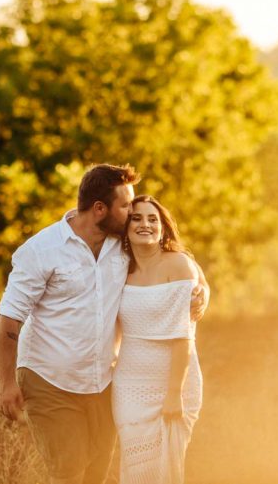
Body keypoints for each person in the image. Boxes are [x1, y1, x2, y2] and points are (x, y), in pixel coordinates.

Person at [0, 164, 209, 484]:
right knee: (67, 471)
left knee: (97, 472)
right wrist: (6, 382)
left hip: (103, 381)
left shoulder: (121, 244)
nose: (132, 212)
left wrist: (203, 291)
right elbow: (10, 318)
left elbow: (176, 264)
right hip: (50, 378)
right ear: (99, 209)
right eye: (126, 206)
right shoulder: (40, 251)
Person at [111, 195, 204, 484]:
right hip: (128, 386)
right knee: (135, 468)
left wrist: (173, 393)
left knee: (168, 470)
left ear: (163, 227)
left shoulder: (178, 265)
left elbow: (182, 337)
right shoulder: (119, 269)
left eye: (153, 219)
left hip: (173, 382)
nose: (145, 224)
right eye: (136, 218)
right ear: (125, 227)